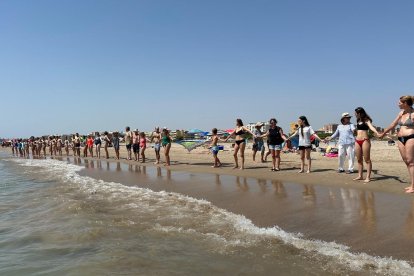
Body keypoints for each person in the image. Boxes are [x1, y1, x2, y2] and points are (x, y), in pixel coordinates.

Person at [379, 96, 414, 193]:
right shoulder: (401, 113)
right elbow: (393, 124)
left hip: (411, 137)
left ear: (405, 103)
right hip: (400, 139)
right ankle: (412, 184)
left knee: (411, 162)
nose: (398, 104)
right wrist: (383, 133)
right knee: (406, 161)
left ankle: (413, 186)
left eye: (399, 102)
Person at [353, 107, 380, 183]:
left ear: (359, 113)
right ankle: (360, 175)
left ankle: (368, 177)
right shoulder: (358, 121)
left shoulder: (366, 120)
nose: (354, 114)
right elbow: (358, 131)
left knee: (367, 159)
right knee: (359, 159)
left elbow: (371, 127)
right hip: (357, 140)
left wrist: (377, 132)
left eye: (355, 113)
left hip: (365, 140)